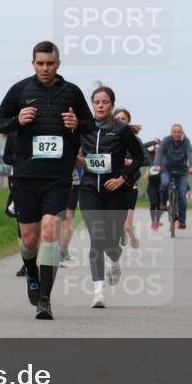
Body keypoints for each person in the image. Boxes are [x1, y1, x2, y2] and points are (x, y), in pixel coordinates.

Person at [0, 40, 95, 320]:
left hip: (58, 178)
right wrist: (17, 120)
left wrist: (77, 124)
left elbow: (90, 125)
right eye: (40, 63)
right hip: (25, 176)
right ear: (33, 64)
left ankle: (45, 300)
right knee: (29, 239)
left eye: (50, 63)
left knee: (50, 232)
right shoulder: (20, 90)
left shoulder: (71, 92)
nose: (45, 68)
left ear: (58, 64)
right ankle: (31, 273)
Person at [79, 87, 144, 308]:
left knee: (112, 242)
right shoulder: (84, 128)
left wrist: (123, 179)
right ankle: (98, 292)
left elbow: (139, 157)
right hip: (89, 190)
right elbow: (74, 152)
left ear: (112, 105)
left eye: (105, 102)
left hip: (115, 192)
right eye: (96, 102)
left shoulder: (122, 130)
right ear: (92, 104)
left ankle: (115, 259)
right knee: (97, 238)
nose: (100, 105)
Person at [113, 108, 154, 249]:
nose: (120, 121)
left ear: (128, 121)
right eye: (117, 118)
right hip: (111, 183)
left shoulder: (135, 140)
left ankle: (131, 234)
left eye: (123, 119)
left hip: (130, 184)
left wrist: (130, 162)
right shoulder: (107, 138)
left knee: (127, 225)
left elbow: (146, 160)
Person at [155, 124, 192, 229]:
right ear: (171, 132)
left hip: (182, 171)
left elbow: (190, 153)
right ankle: (163, 203)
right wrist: (157, 164)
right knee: (165, 184)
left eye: (179, 132)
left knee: (182, 195)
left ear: (182, 133)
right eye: (175, 132)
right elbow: (160, 152)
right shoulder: (166, 140)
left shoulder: (186, 141)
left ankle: (182, 220)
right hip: (167, 169)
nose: (177, 134)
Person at [2, 132, 28, 277]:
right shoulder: (13, 135)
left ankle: (36, 262)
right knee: (21, 226)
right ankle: (26, 262)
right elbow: (6, 157)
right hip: (17, 179)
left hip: (39, 179)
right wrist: (18, 158)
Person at [58, 165, 82, 265]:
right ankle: (63, 252)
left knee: (67, 217)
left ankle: (61, 253)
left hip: (71, 181)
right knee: (68, 217)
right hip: (69, 180)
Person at [145, 138, 164, 231]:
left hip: (161, 185)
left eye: (159, 149)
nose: (157, 151)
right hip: (152, 184)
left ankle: (158, 220)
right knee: (153, 203)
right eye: (156, 148)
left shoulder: (164, 158)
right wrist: (153, 141)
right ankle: (153, 221)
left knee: (160, 204)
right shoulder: (150, 156)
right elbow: (143, 147)